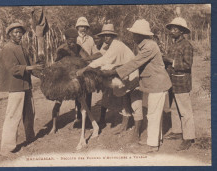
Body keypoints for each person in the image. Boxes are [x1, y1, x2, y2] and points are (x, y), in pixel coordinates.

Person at [104, 19, 172, 153]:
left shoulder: (149, 47)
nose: (133, 36)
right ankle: (156, 141)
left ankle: (152, 145)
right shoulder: (144, 46)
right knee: (155, 114)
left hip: (157, 84)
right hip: (154, 84)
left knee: (152, 115)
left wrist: (115, 72)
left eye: (135, 34)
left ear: (141, 35)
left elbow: (135, 63)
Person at [77, 23, 143, 143]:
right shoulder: (108, 46)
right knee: (125, 100)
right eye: (104, 35)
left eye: (108, 35)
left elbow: (104, 60)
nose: (106, 38)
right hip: (123, 74)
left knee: (135, 102)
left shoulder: (116, 46)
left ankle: (137, 132)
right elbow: (102, 57)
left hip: (132, 74)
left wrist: (85, 69)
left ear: (113, 36)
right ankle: (124, 125)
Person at [0, 23, 44, 156]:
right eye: (16, 32)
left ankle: (30, 137)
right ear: (9, 34)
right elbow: (13, 69)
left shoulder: (22, 48)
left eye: (20, 33)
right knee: (13, 116)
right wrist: (32, 68)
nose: (18, 35)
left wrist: (41, 72)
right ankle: (6, 148)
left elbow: (30, 66)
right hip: (16, 86)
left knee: (29, 114)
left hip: (26, 85)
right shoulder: (7, 48)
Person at [163, 17, 195, 151]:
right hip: (172, 81)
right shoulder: (174, 44)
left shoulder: (186, 45)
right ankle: (178, 131)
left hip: (181, 82)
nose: (172, 31)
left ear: (181, 31)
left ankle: (188, 138)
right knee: (176, 109)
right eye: (171, 29)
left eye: (175, 29)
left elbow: (188, 65)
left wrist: (170, 60)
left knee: (185, 111)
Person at [50, 28, 90, 134]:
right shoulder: (61, 49)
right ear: (66, 39)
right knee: (58, 102)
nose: (72, 43)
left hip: (74, 77)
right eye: (70, 41)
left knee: (81, 98)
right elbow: (56, 64)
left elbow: (86, 58)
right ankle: (53, 126)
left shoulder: (78, 48)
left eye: (74, 40)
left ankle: (80, 119)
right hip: (63, 77)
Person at [74, 17, 103, 126]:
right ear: (77, 27)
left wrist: (90, 59)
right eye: (81, 26)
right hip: (76, 68)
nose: (83, 29)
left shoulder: (90, 39)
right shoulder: (74, 39)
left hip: (88, 68)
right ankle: (78, 117)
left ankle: (87, 118)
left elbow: (96, 52)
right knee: (77, 92)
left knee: (88, 92)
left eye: (85, 27)